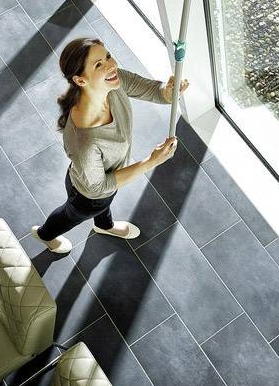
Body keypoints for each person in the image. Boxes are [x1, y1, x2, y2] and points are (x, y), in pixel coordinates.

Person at [31, 37, 188, 255]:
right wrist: (151, 162)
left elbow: (154, 91)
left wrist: (169, 92)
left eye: (107, 56)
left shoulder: (114, 82)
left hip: (100, 179)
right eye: (99, 65)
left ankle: (103, 226)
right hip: (88, 197)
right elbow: (99, 188)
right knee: (71, 215)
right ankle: (45, 234)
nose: (111, 65)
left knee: (106, 201)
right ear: (81, 80)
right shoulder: (85, 142)